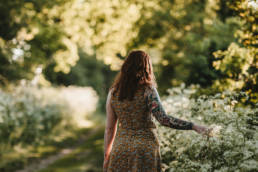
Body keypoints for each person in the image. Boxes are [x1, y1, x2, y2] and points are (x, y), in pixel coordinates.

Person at [103, 50, 210, 172]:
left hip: (121, 149)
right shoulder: (148, 91)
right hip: (145, 149)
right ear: (147, 68)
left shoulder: (113, 93)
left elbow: (109, 129)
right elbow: (164, 119)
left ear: (125, 67)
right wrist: (193, 126)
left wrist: (107, 156)